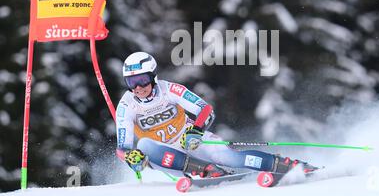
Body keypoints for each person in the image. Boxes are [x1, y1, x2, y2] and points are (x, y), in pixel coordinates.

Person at [115, 52, 316, 183]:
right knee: (144, 146)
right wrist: (131, 157)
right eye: (132, 82)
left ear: (153, 77)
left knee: (228, 156)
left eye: (142, 80)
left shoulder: (170, 90)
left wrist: (195, 131)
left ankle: (286, 165)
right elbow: (122, 148)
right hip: (167, 157)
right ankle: (205, 170)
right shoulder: (126, 105)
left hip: (189, 140)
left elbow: (205, 109)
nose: (138, 88)